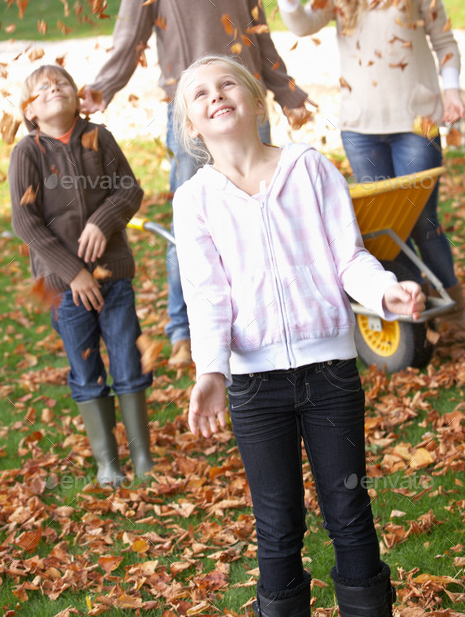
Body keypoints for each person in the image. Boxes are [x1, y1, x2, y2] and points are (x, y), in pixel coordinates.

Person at [171, 54, 425, 617]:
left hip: (330, 374)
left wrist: (385, 294)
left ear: (256, 98)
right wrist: (211, 371)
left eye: (228, 83)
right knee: (278, 522)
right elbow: (208, 296)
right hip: (255, 387)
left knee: (349, 506)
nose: (216, 95)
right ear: (191, 123)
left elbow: (349, 258)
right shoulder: (195, 200)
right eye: (200, 94)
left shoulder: (309, 168)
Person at [81, 0, 312, 369]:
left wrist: (287, 90)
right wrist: (104, 86)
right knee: (193, 213)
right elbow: (130, 29)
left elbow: (258, 29)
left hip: (246, 100)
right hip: (191, 106)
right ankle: (182, 326)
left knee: (261, 211)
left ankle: (259, 315)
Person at [249, 0, 465, 345]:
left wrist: (451, 91)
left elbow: (444, 42)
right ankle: (414, 311)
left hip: (417, 124)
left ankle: (454, 314)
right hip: (360, 131)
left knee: (421, 222)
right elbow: (299, 24)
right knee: (384, 231)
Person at [9, 64, 153, 487]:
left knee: (127, 360)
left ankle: (142, 456)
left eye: (63, 83)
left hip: (114, 277)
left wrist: (102, 222)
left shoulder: (99, 137)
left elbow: (129, 190)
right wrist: (73, 273)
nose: (55, 87)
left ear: (77, 96)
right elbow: (26, 223)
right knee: (86, 370)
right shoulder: (27, 152)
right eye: (42, 88)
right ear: (30, 111)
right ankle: (108, 462)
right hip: (66, 289)